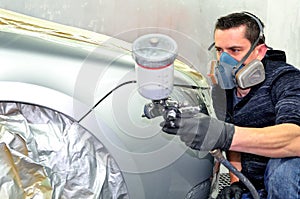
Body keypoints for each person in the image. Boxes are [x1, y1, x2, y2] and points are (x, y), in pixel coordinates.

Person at [161, 11, 300, 199]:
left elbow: (295, 139)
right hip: (254, 184)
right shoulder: (222, 90)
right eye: (219, 50)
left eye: (235, 50)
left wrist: (224, 134)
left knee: (283, 170)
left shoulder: (287, 80)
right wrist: (236, 182)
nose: (223, 61)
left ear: (259, 51)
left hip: (287, 180)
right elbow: (233, 140)